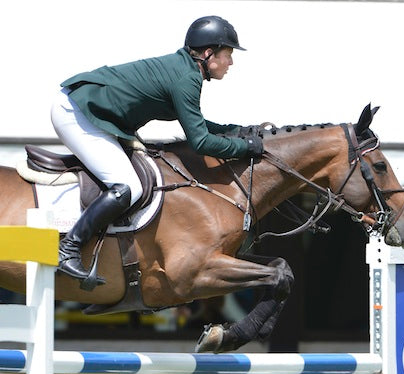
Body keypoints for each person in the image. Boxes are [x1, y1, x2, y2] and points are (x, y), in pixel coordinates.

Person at [51, 15, 264, 284]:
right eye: (228, 54)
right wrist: (245, 147)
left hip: (92, 111)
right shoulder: (186, 78)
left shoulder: (184, 70)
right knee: (128, 186)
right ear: (209, 53)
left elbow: (196, 123)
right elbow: (200, 143)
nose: (231, 62)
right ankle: (68, 249)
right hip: (77, 112)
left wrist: (235, 130)